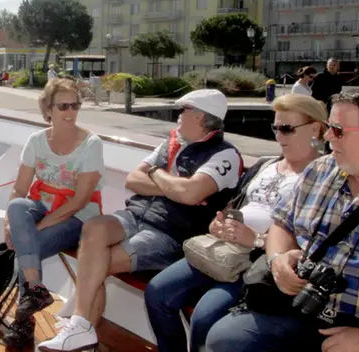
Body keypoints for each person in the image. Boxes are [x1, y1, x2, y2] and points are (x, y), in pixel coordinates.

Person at [36, 89, 243, 351]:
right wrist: (175, 188)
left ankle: (81, 331)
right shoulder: (171, 143)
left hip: (169, 233)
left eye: (184, 112)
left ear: (201, 118)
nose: (178, 117)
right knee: (94, 228)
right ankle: (82, 328)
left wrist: (160, 175)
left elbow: (191, 194)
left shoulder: (224, 155)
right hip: (136, 214)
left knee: (99, 263)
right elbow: (133, 179)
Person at [144, 94, 327, 352]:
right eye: (276, 128)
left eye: (287, 129)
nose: (279, 137)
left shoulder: (322, 180)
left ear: (316, 129)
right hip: (221, 249)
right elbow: (233, 206)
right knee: (157, 293)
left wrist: (257, 240)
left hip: (254, 265)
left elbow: (313, 241)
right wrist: (217, 224)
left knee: (204, 317)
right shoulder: (265, 165)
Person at [204, 88, 359, 352]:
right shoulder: (320, 171)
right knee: (224, 339)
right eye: (330, 127)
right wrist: (278, 259)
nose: (329, 137)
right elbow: (281, 224)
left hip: (352, 327)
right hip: (300, 305)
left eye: (338, 130)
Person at [3, 78, 106, 349]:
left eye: (75, 105)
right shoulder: (36, 141)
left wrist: (41, 226)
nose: (70, 112)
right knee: (16, 209)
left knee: (28, 248)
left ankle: (23, 325)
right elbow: (19, 189)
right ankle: (36, 291)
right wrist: (8, 225)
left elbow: (82, 198)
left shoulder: (91, 144)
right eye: (63, 106)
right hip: (43, 205)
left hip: (79, 215)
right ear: (48, 110)